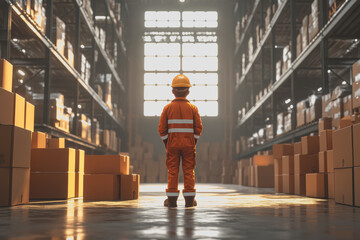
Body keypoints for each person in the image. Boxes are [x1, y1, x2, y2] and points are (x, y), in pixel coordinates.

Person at [158, 74, 203, 208]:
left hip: (172, 145)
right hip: (189, 145)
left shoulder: (167, 108)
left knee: (173, 170)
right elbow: (199, 128)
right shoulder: (193, 109)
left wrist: (167, 142)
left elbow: (161, 129)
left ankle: (171, 200)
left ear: (172, 91)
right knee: (189, 170)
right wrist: (193, 141)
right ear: (188, 92)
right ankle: (189, 200)